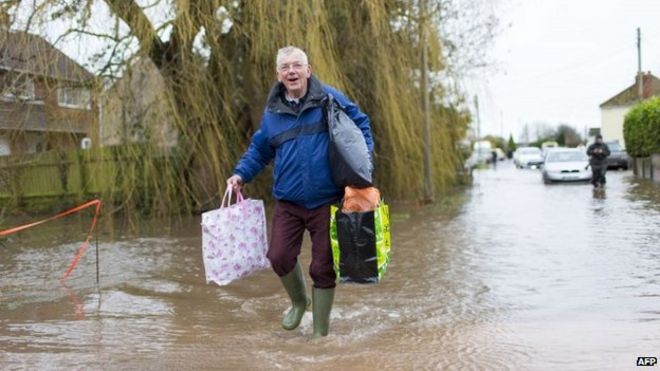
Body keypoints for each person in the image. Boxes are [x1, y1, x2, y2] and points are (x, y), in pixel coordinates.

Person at [226, 46, 374, 337]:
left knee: (322, 267)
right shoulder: (272, 114)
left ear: (308, 70)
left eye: (297, 65)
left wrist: (364, 161)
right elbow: (259, 150)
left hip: (327, 199)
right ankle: (298, 301)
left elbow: (361, 124)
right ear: (278, 75)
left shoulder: (329, 99)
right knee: (278, 255)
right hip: (289, 201)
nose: (291, 71)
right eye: (285, 67)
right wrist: (241, 174)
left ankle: (320, 333)